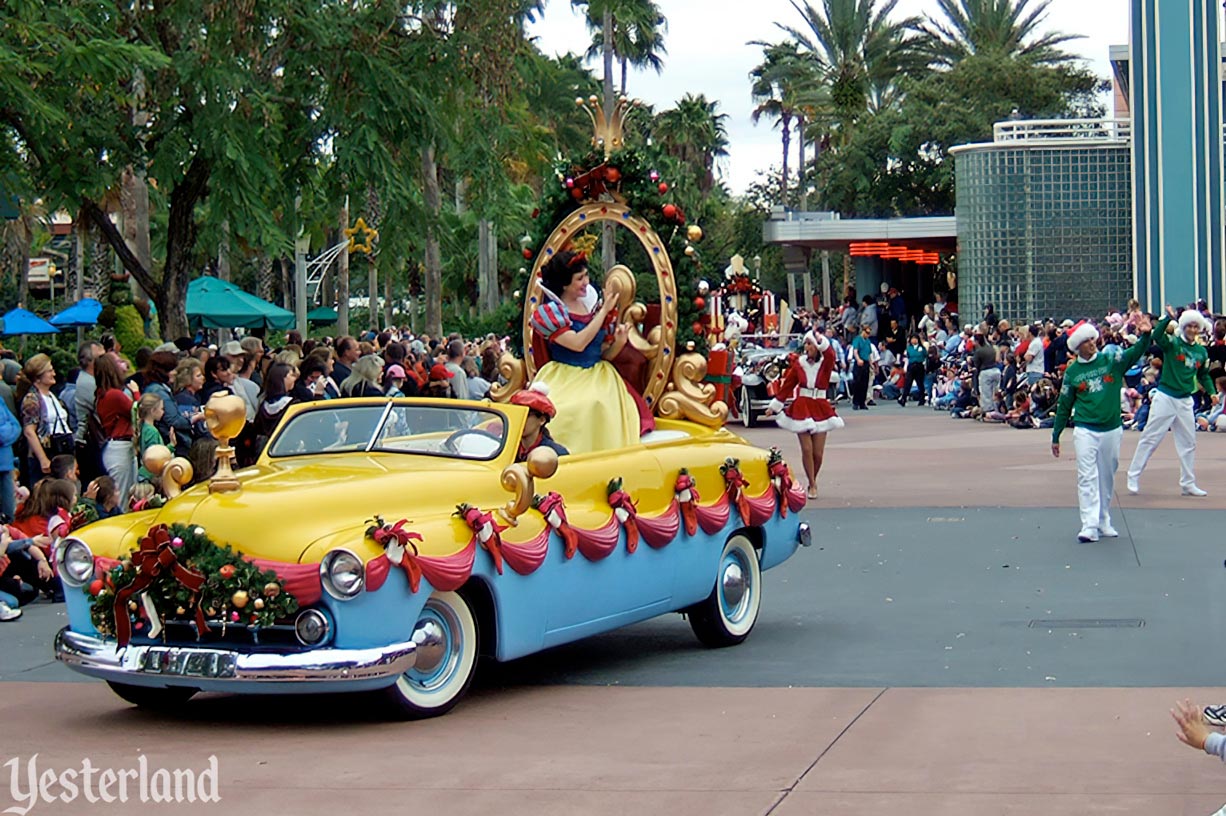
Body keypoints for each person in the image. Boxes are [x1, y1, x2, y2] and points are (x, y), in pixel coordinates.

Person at [528, 250, 652, 453]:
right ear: (564, 284)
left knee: (597, 403)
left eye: (586, 275)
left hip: (598, 375)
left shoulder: (591, 306)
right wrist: (603, 313)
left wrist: (619, 343)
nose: (586, 281)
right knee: (563, 411)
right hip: (565, 376)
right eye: (579, 278)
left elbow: (602, 353)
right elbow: (577, 344)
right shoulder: (553, 312)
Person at [1051, 315, 1153, 542]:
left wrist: (1146, 334)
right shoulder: (1073, 372)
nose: (1092, 343)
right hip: (1086, 429)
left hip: (1111, 428)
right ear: (1078, 347)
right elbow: (1064, 405)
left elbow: (1135, 353)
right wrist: (1056, 434)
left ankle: (1103, 518)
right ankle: (1089, 524)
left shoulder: (1111, 360)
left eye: (1092, 338)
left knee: (1106, 475)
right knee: (1087, 476)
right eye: (1086, 341)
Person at [1126, 306, 1215, 496]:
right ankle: (1133, 475)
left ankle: (1188, 482)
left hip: (1185, 400)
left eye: (1195, 327)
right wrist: (1168, 317)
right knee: (1151, 437)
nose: (1192, 330)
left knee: (1188, 442)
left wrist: (1212, 392)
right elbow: (1157, 335)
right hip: (1166, 397)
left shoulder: (1201, 352)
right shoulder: (1173, 344)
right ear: (1183, 327)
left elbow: (1204, 375)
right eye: (1189, 326)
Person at [765, 331, 844, 499]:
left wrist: (822, 340)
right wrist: (775, 406)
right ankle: (812, 484)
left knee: (818, 454)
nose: (807, 347)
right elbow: (787, 386)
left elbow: (830, 353)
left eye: (811, 344)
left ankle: (812, 478)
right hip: (802, 405)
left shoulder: (826, 362)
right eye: (806, 344)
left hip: (821, 406)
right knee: (807, 449)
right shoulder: (799, 364)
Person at [15, 354, 73, 485]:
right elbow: (29, 432)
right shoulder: (32, 399)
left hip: (61, 449)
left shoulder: (53, 396)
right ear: (38, 376)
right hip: (47, 451)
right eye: (49, 371)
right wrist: (43, 459)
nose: (54, 373)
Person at [93, 354, 137, 504]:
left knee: (121, 493)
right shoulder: (115, 395)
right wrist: (136, 393)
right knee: (122, 497)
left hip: (114, 446)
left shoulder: (102, 395)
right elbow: (138, 411)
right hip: (121, 447)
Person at [510, 383, 569, 462]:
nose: (520, 419)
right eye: (516, 413)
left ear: (542, 420)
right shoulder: (508, 449)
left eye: (526, 415)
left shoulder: (556, 454)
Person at [849, 324, 873, 410]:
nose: (868, 334)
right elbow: (855, 351)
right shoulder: (857, 339)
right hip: (859, 362)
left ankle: (862, 402)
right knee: (857, 383)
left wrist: (871, 364)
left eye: (869, 333)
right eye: (867, 332)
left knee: (865, 383)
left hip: (866, 362)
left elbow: (869, 354)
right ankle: (856, 402)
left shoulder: (868, 341)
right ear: (863, 331)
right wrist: (858, 359)